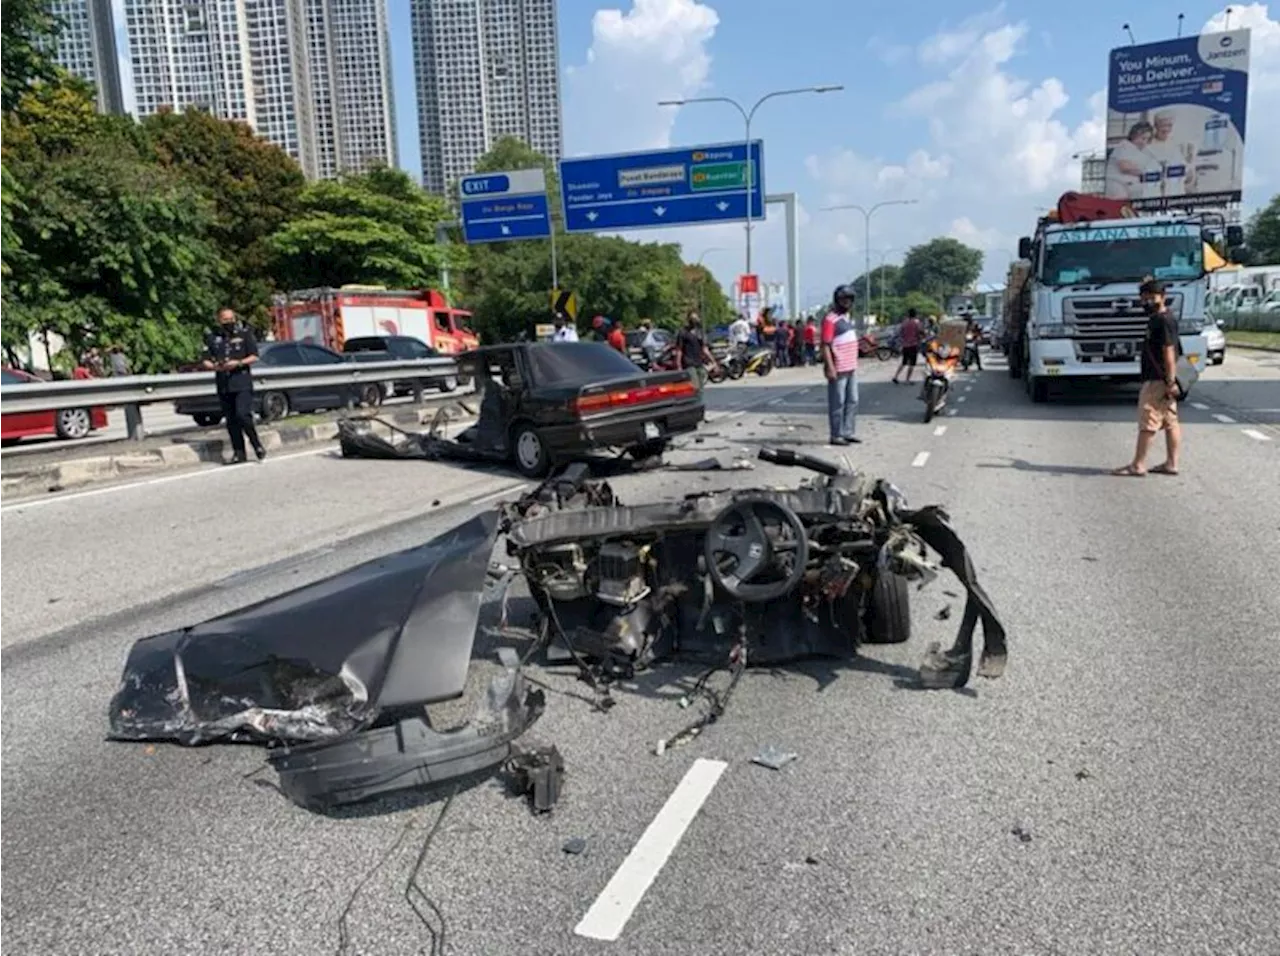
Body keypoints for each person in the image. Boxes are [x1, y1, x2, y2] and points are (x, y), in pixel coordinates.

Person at [1113, 278, 1182, 477]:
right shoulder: (1163, 319)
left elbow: (1169, 353)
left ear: (1164, 297)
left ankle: (1138, 464)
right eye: (1144, 299)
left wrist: (1169, 381)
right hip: (1163, 379)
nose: (1147, 303)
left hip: (1158, 380)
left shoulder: (1162, 321)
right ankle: (1171, 463)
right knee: (1170, 421)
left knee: (1148, 420)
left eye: (1152, 298)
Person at [202, 308, 265, 465]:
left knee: (243, 415)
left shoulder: (244, 335)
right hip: (224, 383)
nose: (228, 322)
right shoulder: (213, 338)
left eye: (231, 319)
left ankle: (256, 444)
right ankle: (239, 452)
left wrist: (238, 363)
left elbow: (254, 356)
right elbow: (205, 359)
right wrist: (215, 366)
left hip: (241, 381)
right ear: (219, 320)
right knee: (231, 420)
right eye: (225, 320)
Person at [821, 285, 861, 446]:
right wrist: (830, 367)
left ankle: (848, 431)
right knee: (838, 402)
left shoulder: (846, 318)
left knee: (853, 400)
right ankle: (836, 434)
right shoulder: (830, 320)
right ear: (837, 301)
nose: (848, 303)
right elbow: (825, 345)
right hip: (838, 367)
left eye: (850, 300)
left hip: (851, 366)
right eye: (844, 300)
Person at [1104, 121, 1156, 200]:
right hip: (1116, 183)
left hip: (1133, 188)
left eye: (1147, 139)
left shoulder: (1145, 152)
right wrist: (1143, 172)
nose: (1144, 142)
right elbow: (1124, 167)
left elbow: (1153, 167)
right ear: (1134, 135)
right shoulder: (1124, 145)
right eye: (1142, 138)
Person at [675, 309, 719, 390]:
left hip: (699, 363)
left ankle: (699, 401)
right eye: (692, 318)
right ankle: (696, 401)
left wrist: (713, 362)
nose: (694, 320)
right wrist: (678, 365)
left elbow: (705, 349)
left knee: (700, 386)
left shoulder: (700, 333)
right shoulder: (683, 332)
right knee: (694, 386)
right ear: (688, 319)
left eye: (696, 318)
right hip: (688, 363)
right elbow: (679, 350)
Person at [892, 308, 923, 384]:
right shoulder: (916, 323)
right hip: (913, 345)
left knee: (904, 362)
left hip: (905, 345)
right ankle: (907, 380)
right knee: (912, 364)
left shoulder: (904, 323)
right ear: (915, 314)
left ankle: (895, 376)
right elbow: (920, 332)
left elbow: (901, 332)